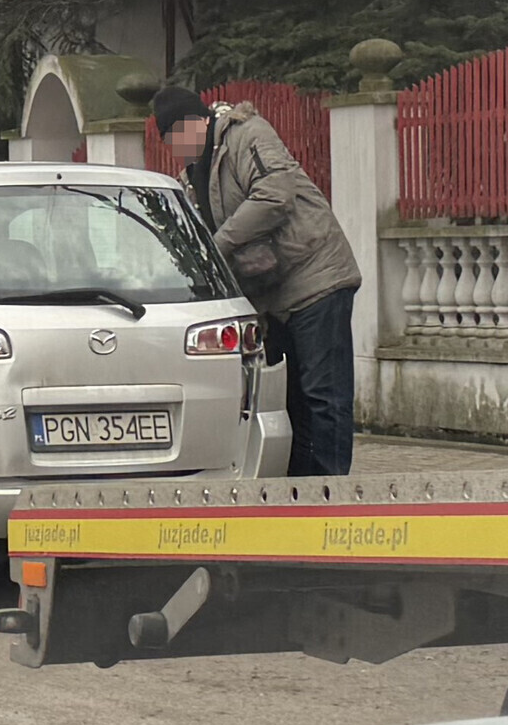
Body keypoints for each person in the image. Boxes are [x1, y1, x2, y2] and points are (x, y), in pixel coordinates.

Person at [153, 86, 362, 477]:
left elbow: (275, 195)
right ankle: (301, 493)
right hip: (273, 296)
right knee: (291, 400)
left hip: (316, 278)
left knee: (323, 395)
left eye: (172, 139)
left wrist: (219, 245)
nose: (173, 151)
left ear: (190, 124)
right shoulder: (193, 176)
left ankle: (332, 493)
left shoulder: (247, 134)